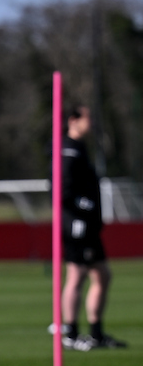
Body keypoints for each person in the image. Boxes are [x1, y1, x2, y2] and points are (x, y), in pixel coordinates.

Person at [59, 105, 126, 351]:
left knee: (102, 274)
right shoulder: (67, 149)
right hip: (77, 225)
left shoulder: (79, 148)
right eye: (87, 118)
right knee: (76, 275)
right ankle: (71, 333)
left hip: (88, 225)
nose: (92, 123)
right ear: (73, 120)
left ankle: (96, 333)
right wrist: (83, 206)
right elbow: (62, 190)